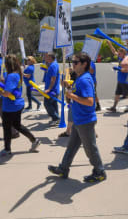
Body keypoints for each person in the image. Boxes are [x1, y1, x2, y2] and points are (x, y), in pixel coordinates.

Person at [48, 53, 106, 182]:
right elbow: (76, 94)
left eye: (75, 62)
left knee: (90, 149)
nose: (73, 64)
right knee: (72, 146)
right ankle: (63, 169)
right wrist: (68, 87)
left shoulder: (84, 80)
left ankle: (100, 171)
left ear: (84, 64)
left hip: (85, 121)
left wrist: (71, 95)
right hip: (79, 119)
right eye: (73, 62)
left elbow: (90, 101)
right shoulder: (80, 78)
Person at [0, 54, 41, 156]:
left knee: (7, 128)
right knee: (17, 125)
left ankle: (7, 149)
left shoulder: (11, 76)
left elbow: (7, 93)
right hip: (17, 104)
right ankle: (34, 140)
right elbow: (11, 86)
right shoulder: (17, 74)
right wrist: (3, 81)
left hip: (10, 106)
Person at [105, 40, 128, 113]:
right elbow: (114, 51)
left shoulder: (126, 60)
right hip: (120, 80)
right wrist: (109, 44)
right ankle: (114, 107)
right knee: (117, 94)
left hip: (125, 81)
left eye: (120, 53)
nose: (118, 54)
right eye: (118, 53)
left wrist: (118, 68)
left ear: (124, 54)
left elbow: (126, 70)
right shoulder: (120, 58)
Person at [44, 52, 60, 125]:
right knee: (53, 104)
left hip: (52, 90)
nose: (45, 58)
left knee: (47, 103)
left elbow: (53, 78)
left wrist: (49, 89)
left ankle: (56, 118)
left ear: (50, 57)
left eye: (46, 57)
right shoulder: (54, 64)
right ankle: (56, 119)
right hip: (54, 89)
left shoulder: (53, 65)